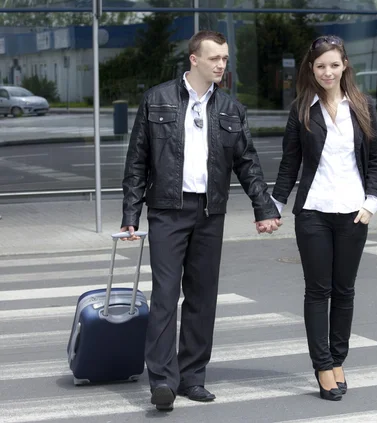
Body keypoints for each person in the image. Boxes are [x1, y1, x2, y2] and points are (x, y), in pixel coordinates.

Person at [120, 29, 281, 411]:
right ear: (194, 59)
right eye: (215, 59)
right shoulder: (157, 99)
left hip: (211, 212)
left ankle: (192, 377)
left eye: (225, 59)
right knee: (164, 295)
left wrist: (265, 208)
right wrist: (131, 213)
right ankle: (162, 380)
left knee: (202, 297)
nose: (222, 65)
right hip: (167, 210)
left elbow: (248, 163)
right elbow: (137, 159)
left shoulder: (230, 108)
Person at [271, 35, 377, 401]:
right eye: (320, 66)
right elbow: (290, 163)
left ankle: (338, 359)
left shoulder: (363, 106)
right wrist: (274, 205)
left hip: (354, 213)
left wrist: (371, 202)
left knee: (344, 290)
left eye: (334, 64)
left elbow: (376, 159)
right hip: (314, 211)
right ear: (312, 69)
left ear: (344, 65)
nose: (327, 71)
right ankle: (322, 365)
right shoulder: (302, 108)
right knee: (318, 291)